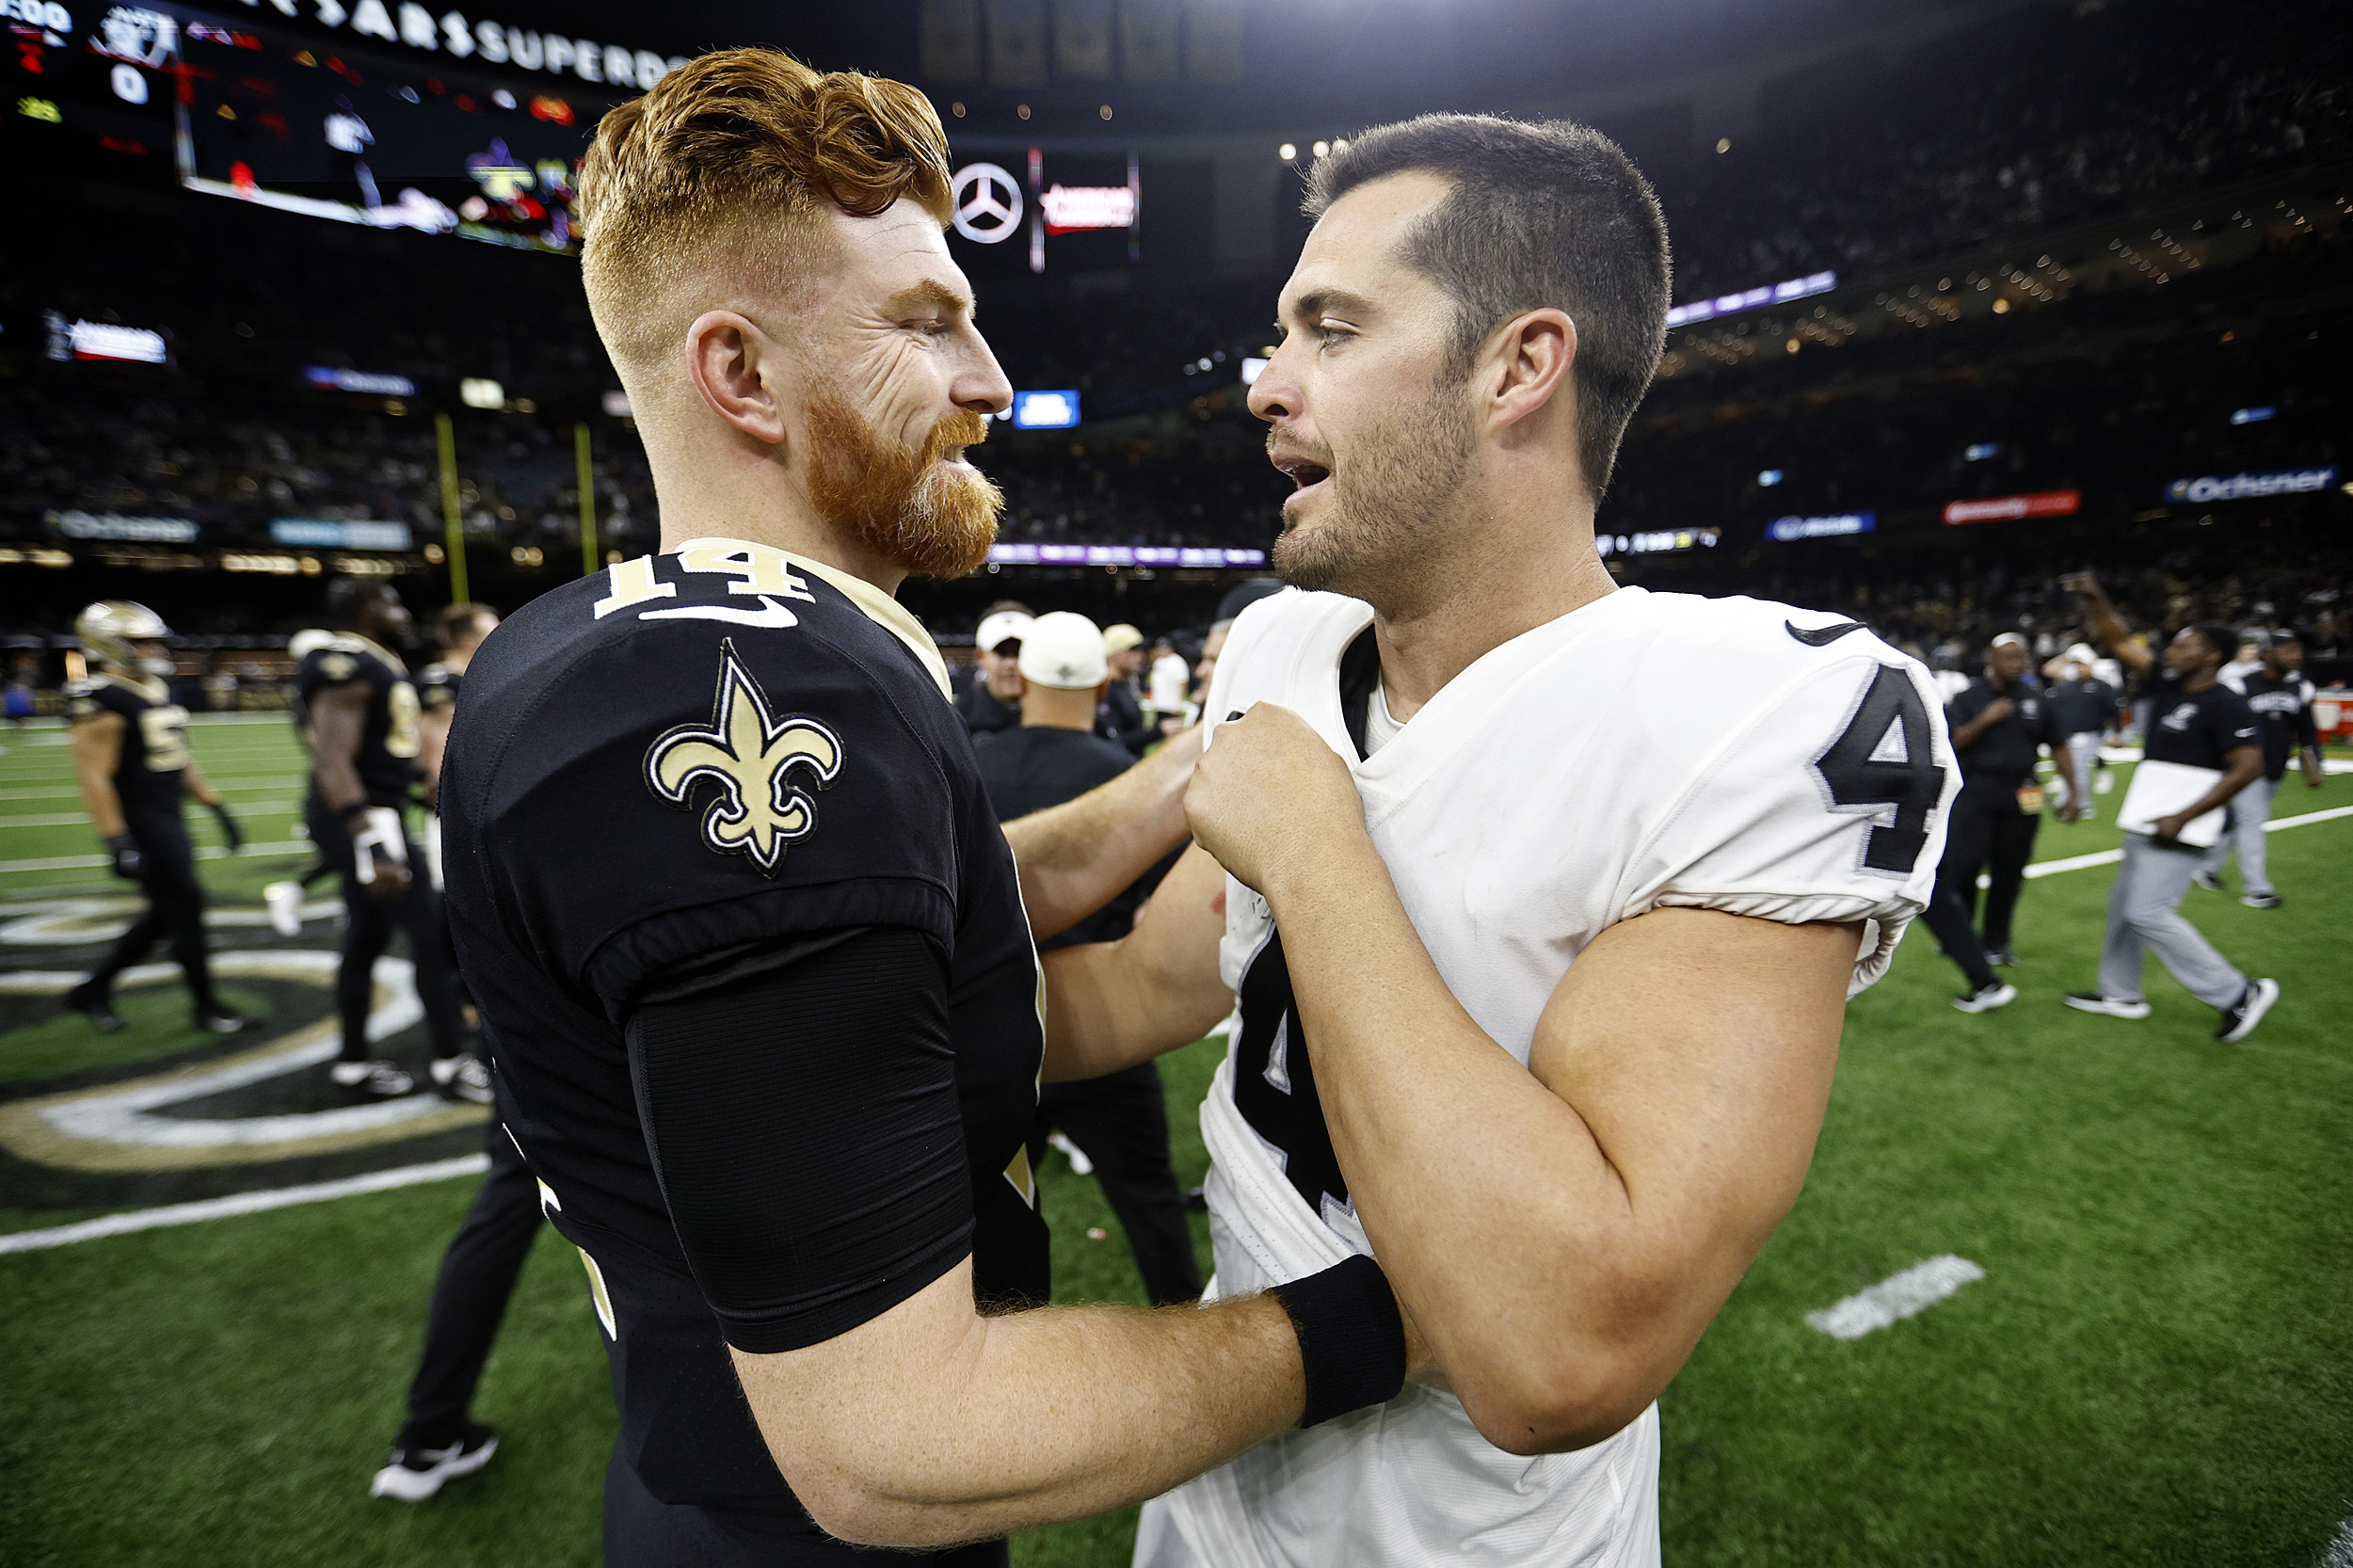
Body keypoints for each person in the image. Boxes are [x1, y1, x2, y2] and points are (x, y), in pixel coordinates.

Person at [440, 50, 1418, 1566]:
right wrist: (1389, 1318)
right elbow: (899, 1448)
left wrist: (1184, 777)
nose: (992, 383)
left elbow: (909, 931)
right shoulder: (753, 693)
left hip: (699, 1472)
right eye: (923, 324)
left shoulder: (618, 636)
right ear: (740, 373)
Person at [1026, 115, 1960, 1568]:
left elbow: (1558, 1351)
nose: (1266, 387)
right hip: (1212, 1506)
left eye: (1331, 330)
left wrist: (1320, 845)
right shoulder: (1283, 643)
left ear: (1519, 364)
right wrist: (810, 1038)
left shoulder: (1752, 707)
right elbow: (1152, 983)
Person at [973, 611, 1202, 1307]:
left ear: (1024, 680)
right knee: (1151, 1208)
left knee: (985, 1219)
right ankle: (1188, 1342)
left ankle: (987, 1360)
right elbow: (1153, 907)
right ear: (1105, 684)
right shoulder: (1118, 775)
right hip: (1102, 1026)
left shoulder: (972, 764)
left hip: (995, 1028)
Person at [370, 601, 539, 1505]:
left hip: (524, 1012)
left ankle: (429, 1431)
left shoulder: (468, 731)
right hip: (551, 1015)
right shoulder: (469, 724)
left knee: (509, 1212)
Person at [2058, 573, 2278, 1040]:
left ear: (2211, 655)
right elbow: (2118, 640)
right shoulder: (2169, 685)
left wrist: (2185, 816)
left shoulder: (2226, 705)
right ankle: (2120, 993)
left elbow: (2248, 768)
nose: (2171, 653)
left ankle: (2237, 992)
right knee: (2123, 909)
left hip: (2181, 827)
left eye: (2183, 646)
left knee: (2146, 912)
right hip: (2146, 818)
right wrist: (2098, 598)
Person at [293, 579, 474, 1099]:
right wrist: (371, 839)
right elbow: (333, 759)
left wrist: (425, 789)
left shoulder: (374, 659)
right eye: (390, 601)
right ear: (365, 609)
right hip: (366, 820)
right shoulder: (346, 662)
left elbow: (378, 754)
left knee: (366, 942)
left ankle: (352, 1065)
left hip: (377, 810)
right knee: (428, 942)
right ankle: (448, 1065)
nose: (400, 610)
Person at [59, 601, 248, 1034]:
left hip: (169, 816)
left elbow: (175, 758)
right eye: (141, 641)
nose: (152, 649)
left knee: (166, 913)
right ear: (111, 645)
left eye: (153, 640)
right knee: (186, 908)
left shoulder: (154, 689)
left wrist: (214, 805)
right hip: (143, 823)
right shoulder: (101, 698)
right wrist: (117, 840)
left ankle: (91, 991)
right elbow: (94, 777)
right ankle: (206, 1007)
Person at [1922, 632, 2082, 990]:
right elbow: (1950, 744)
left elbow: (2058, 745)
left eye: (2022, 657)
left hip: (2023, 794)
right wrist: (1986, 720)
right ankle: (1959, 936)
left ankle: (1997, 943)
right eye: (2009, 658)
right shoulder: (1968, 698)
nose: (2017, 664)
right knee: (1964, 867)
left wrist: (2073, 789)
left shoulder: (2037, 700)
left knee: (2010, 871)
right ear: (1991, 660)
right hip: (1976, 792)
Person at [2195, 628, 2325, 907]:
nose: (2296, 656)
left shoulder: (2300, 688)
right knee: (2252, 823)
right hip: (2245, 770)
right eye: (2288, 650)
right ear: (2268, 654)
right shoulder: (2242, 686)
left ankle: (2206, 868)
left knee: (2238, 823)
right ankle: (2257, 889)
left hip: (2275, 768)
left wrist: (2313, 767)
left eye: (2298, 650)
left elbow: (2306, 732)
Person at [2042, 643, 2119, 818]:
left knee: (2077, 770)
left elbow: (2113, 712)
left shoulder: (2102, 686)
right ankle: (2073, 800)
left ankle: (2082, 805)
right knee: (2068, 769)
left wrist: (2115, 733)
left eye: (2083, 663)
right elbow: (2048, 670)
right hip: (2066, 735)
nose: (2080, 667)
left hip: (2088, 734)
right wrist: (2068, 656)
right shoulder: (2069, 684)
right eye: (2077, 664)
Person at [958, 601, 1030, 735]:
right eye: (1001, 652)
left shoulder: (1059, 718)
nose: (1010, 664)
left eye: (1019, 651)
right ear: (980, 657)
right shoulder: (960, 721)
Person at [1097, 622, 1158, 756]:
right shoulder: (1104, 690)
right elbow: (1112, 741)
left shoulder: (1127, 684)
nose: (1140, 656)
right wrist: (1158, 732)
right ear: (1115, 654)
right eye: (1133, 650)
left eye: (1141, 650)